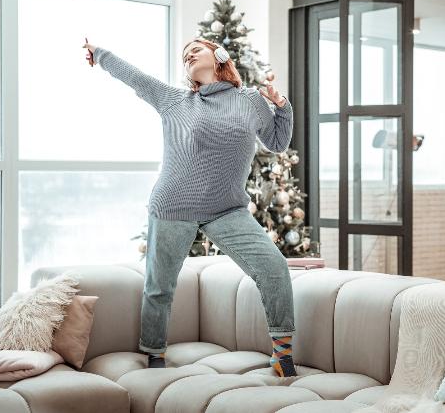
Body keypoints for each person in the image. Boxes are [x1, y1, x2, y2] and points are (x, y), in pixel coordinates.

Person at [82, 38, 297, 377]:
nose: (189, 55)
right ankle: (154, 353)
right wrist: (100, 54)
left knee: (274, 267)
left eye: (196, 49)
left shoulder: (251, 101)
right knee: (160, 286)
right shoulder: (175, 100)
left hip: (227, 209)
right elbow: (135, 77)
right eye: (185, 56)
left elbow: (277, 142)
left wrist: (281, 105)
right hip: (173, 205)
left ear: (219, 56)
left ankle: (282, 355)